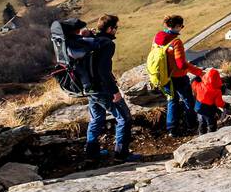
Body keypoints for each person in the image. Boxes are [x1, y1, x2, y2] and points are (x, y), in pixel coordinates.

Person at [70, 13, 138, 164]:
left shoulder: (90, 41)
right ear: (109, 29)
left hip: (88, 88)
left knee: (97, 119)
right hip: (102, 88)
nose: (116, 30)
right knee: (124, 118)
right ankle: (121, 155)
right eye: (115, 28)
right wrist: (115, 92)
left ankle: (91, 154)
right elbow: (103, 71)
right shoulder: (106, 44)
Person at [153, 15, 204, 135]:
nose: (182, 28)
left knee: (172, 100)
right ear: (176, 26)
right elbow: (181, 64)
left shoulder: (157, 38)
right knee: (188, 100)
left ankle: (172, 129)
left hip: (163, 76)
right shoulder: (176, 42)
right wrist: (199, 72)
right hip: (178, 77)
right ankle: (192, 124)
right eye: (181, 26)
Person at [191, 66, 228, 134]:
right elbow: (218, 103)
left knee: (201, 121)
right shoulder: (217, 91)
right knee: (211, 122)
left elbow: (193, 83)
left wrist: (197, 77)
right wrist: (225, 105)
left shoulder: (199, 85)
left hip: (198, 107)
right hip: (208, 110)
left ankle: (201, 134)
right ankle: (211, 135)